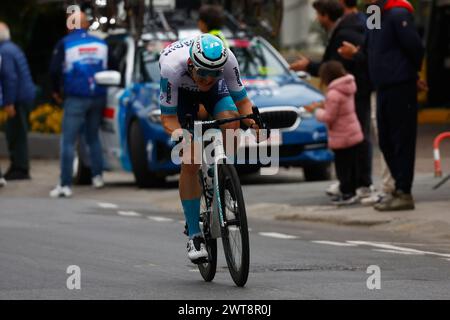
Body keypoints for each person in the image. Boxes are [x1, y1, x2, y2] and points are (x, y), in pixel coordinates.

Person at [159, 34, 258, 262]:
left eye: (214, 74)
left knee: (231, 119)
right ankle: (194, 235)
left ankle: (220, 174)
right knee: (191, 159)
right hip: (181, 95)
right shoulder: (172, 67)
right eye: (203, 73)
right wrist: (184, 139)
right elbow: (168, 119)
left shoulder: (227, 62)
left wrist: (254, 124)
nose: (207, 79)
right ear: (192, 64)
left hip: (214, 94)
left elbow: (243, 103)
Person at [338, 0, 425, 211]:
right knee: (386, 141)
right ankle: (398, 188)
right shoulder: (375, 15)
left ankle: (404, 192)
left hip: (400, 86)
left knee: (401, 140)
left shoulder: (397, 13)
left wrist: (409, 75)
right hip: (382, 87)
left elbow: (415, 49)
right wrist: (355, 54)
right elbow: (371, 51)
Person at [289, 0, 374, 200]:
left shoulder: (346, 31)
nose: (318, 19)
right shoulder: (356, 23)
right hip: (354, 92)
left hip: (354, 93)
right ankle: (353, 183)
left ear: (327, 14)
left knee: (355, 141)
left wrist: (310, 67)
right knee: (356, 138)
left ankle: (358, 184)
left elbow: (334, 67)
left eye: (319, 15)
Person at [49, 12, 108, 198]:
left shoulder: (65, 43)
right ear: (87, 25)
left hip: (75, 97)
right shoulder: (101, 43)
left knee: (68, 140)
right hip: (98, 96)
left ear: (69, 26)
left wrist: (56, 92)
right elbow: (113, 65)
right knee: (93, 137)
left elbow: (54, 70)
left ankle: (65, 184)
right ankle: (98, 176)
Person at [305, 61, 363, 205]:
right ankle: (353, 191)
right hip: (353, 133)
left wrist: (315, 111)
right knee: (352, 166)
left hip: (341, 137)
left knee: (342, 169)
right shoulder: (348, 87)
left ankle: (346, 193)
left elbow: (329, 117)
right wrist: (324, 105)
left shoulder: (333, 93)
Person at [0, 22, 36, 181]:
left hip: (18, 98)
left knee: (16, 133)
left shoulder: (4, 52)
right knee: (15, 132)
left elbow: (10, 78)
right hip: (23, 96)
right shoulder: (11, 48)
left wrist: (9, 102)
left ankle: (20, 168)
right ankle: (18, 166)